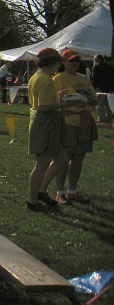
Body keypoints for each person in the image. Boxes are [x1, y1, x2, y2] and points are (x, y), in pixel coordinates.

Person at [42, 49, 97, 205]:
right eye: (71, 60)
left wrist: (87, 100)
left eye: (77, 60)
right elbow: (54, 101)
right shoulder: (58, 79)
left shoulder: (84, 78)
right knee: (63, 159)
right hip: (67, 123)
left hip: (84, 123)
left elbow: (94, 99)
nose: (75, 63)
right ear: (63, 63)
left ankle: (72, 191)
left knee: (78, 158)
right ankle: (60, 192)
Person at [26, 48, 65, 211]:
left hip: (45, 122)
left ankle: (41, 191)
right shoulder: (46, 79)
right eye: (58, 63)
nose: (59, 66)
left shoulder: (37, 76)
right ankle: (32, 201)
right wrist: (65, 103)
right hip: (44, 122)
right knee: (41, 164)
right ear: (52, 63)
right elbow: (44, 106)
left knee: (62, 158)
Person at [91, 54, 114, 124]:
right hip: (110, 88)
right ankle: (108, 118)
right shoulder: (110, 67)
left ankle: (102, 118)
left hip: (100, 88)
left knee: (100, 104)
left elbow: (94, 78)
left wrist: (96, 87)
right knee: (108, 104)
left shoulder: (96, 67)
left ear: (97, 59)